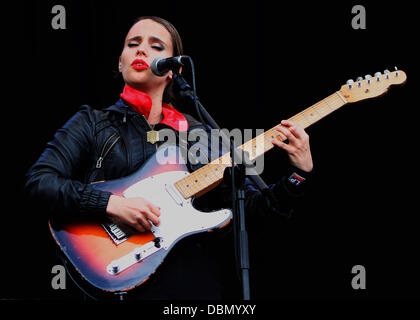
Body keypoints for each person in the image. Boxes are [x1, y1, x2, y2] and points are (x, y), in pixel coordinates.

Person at [25, 16, 313, 300]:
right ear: (120, 62)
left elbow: (251, 212)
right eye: (133, 44)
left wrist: (298, 175)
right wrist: (111, 204)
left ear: (173, 69)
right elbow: (40, 182)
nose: (141, 50)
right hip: (115, 275)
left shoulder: (202, 133)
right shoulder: (92, 122)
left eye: (156, 46)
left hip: (192, 285)